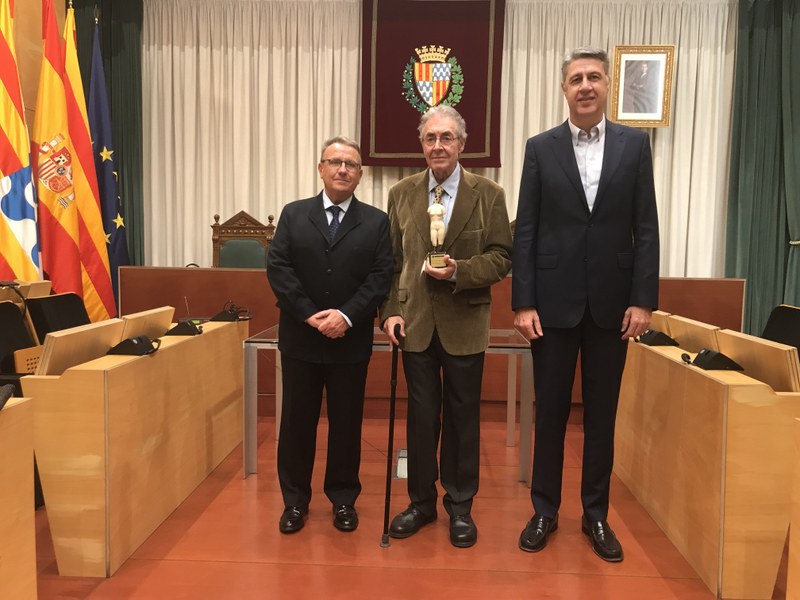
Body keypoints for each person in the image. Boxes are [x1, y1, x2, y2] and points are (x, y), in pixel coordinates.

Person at [512, 46, 659, 562]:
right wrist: (522, 302)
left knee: (601, 415)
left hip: (613, 308)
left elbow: (646, 227)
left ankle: (595, 514)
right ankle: (545, 510)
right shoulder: (540, 147)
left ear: (607, 85)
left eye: (595, 77)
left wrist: (643, 300)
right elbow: (525, 229)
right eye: (576, 78)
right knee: (549, 412)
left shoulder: (634, 145)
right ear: (564, 89)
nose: (586, 86)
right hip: (551, 306)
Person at [381, 105, 512, 548]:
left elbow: (501, 257)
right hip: (414, 324)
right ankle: (420, 503)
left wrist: (459, 271)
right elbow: (392, 262)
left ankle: (460, 506)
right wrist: (389, 311)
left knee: (462, 418)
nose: (438, 146)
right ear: (421, 145)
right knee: (420, 420)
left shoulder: (489, 194)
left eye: (446, 138)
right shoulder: (400, 193)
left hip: (465, 323)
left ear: (462, 144)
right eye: (430, 138)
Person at [266, 136, 393, 534]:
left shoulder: (376, 222)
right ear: (320, 168)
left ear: (360, 174)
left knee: (346, 425)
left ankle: (342, 500)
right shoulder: (293, 214)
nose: (342, 169)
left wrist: (346, 315)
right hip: (302, 339)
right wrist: (310, 315)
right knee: (296, 425)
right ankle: (295, 502)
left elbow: (380, 276)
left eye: (351, 164)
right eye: (334, 162)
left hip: (349, 341)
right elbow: (279, 269)